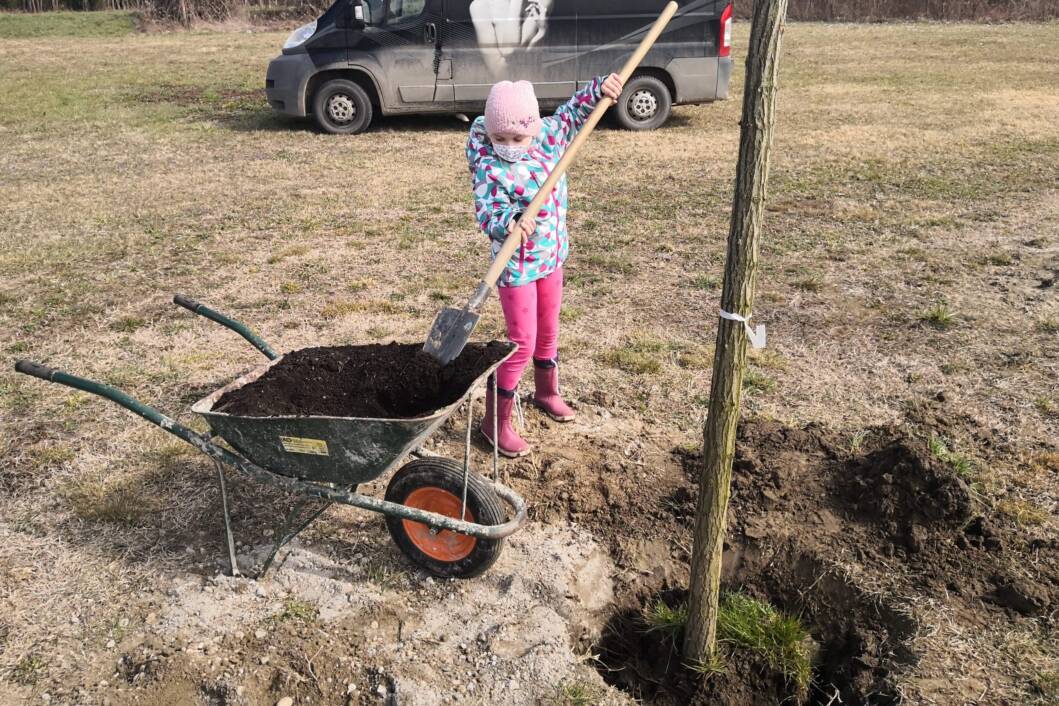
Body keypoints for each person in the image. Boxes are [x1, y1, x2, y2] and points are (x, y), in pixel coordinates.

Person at [465, 73, 623, 457]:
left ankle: (546, 393)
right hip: (515, 267)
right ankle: (495, 422)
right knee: (522, 342)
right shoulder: (488, 162)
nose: (509, 147)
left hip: (552, 257)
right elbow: (488, 212)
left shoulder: (550, 136)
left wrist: (598, 90)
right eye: (501, 138)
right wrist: (510, 223)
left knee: (549, 330)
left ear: (534, 130)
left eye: (518, 139)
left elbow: (573, 114)